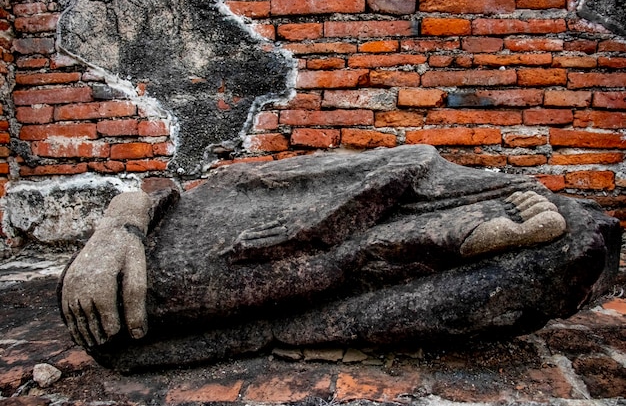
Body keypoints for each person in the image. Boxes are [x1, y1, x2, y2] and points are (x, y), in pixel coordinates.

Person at [59, 145, 619, 371]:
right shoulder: (142, 307)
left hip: (318, 224)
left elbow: (158, 196)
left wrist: (120, 226)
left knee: (355, 253)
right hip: (305, 255)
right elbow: (154, 197)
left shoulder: (195, 230)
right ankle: (458, 229)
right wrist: (120, 224)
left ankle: (461, 227)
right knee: (351, 260)